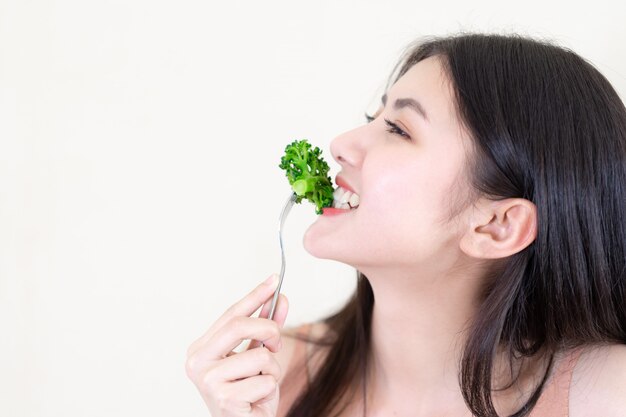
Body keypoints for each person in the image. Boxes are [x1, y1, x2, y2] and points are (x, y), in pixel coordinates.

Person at [185, 33, 626, 417]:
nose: (340, 145)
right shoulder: (271, 379)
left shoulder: (609, 395)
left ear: (497, 226)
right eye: (371, 119)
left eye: (397, 128)